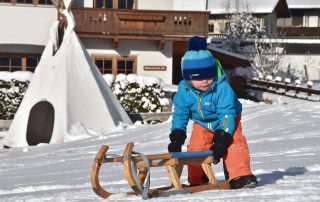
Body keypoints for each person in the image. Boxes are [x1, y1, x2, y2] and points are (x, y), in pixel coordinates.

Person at [168, 36, 257, 189]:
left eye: (209, 75)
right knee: (196, 148)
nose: (205, 81)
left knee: (234, 143)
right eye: (199, 77)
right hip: (202, 123)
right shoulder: (184, 91)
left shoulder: (222, 88)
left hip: (228, 120)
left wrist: (222, 139)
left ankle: (240, 175)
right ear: (189, 78)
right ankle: (197, 179)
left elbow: (226, 114)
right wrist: (177, 136)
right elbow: (180, 115)